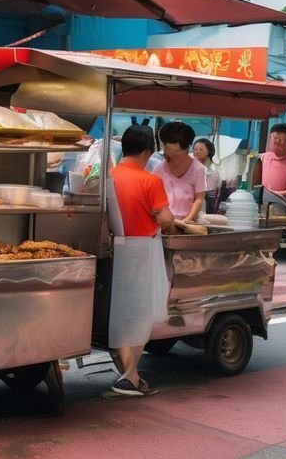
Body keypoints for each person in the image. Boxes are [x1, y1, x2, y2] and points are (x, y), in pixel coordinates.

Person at [108, 125, 175, 397]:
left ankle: (130, 376)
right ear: (148, 150)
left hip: (115, 249)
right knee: (141, 315)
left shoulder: (108, 176)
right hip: (142, 252)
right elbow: (166, 219)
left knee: (122, 313)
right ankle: (129, 377)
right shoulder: (150, 181)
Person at [151, 122, 206, 223]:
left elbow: (199, 199)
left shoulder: (198, 169)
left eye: (176, 152)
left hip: (187, 223)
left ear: (186, 149)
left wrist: (186, 220)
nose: (172, 155)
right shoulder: (159, 169)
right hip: (163, 223)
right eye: (168, 150)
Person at [256, 123, 286, 200]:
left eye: (280, 140)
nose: (276, 143)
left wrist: (277, 194)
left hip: (280, 202)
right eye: (273, 138)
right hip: (261, 201)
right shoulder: (263, 158)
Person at [192, 138, 220, 214]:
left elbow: (210, 196)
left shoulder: (212, 171)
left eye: (200, 150)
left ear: (209, 152)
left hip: (205, 208)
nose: (197, 152)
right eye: (195, 149)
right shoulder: (192, 166)